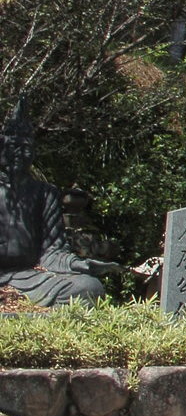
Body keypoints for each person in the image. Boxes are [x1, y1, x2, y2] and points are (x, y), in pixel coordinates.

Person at [0, 103, 118, 306]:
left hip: (26, 278)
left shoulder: (45, 193)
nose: (19, 154)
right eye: (12, 147)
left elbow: (52, 252)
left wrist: (80, 264)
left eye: (26, 148)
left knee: (89, 288)